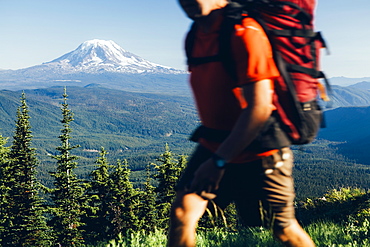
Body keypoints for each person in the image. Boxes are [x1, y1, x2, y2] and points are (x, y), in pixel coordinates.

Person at [168, 0, 316, 246]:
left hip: (261, 147)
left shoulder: (245, 33)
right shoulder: (194, 36)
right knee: (182, 213)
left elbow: (259, 108)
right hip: (216, 140)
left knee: (284, 228)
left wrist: (218, 162)